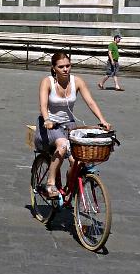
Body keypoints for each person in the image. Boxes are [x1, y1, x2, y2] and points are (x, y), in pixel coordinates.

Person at [37, 50, 111, 199]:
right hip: (50, 125)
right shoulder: (47, 82)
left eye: (68, 66)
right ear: (54, 68)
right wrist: (47, 120)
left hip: (69, 124)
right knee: (63, 145)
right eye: (61, 67)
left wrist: (102, 120)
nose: (65, 69)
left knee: (78, 160)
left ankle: (68, 185)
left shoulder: (77, 81)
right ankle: (50, 183)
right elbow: (43, 105)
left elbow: (90, 101)